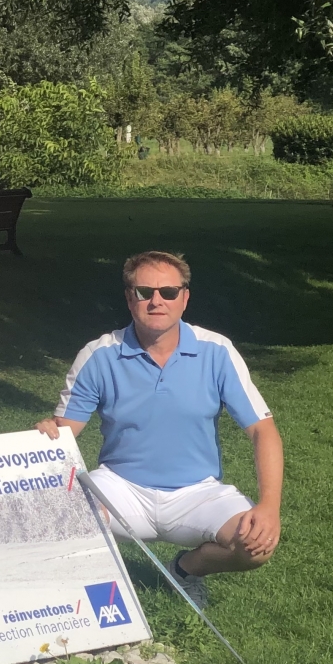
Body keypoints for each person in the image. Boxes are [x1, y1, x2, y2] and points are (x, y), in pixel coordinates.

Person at [36, 251, 283, 608]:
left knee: (255, 547)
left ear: (185, 298)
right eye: (144, 292)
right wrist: (48, 431)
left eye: (168, 292)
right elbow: (65, 430)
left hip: (198, 492)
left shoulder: (217, 351)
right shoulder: (98, 354)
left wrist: (269, 506)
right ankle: (96, 602)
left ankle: (186, 569)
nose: (156, 301)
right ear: (128, 297)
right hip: (121, 487)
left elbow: (263, 430)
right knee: (62, 518)